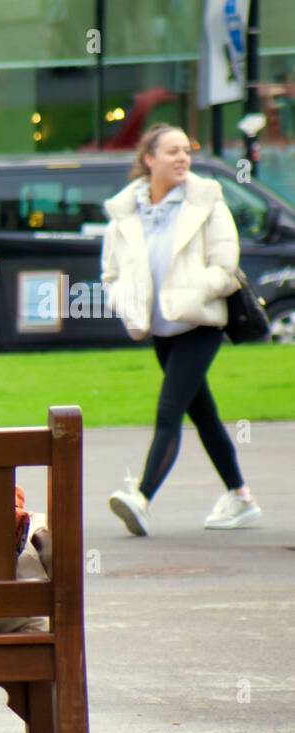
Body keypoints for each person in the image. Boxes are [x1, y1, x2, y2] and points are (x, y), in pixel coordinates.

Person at [101, 123, 261, 534]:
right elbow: (112, 273)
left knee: (168, 410)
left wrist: (193, 296)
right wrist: (125, 301)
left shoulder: (206, 201)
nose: (182, 158)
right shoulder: (125, 210)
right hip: (160, 327)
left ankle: (141, 496)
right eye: (171, 151)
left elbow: (226, 268)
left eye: (186, 151)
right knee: (203, 414)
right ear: (149, 158)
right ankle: (240, 497)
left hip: (200, 321)